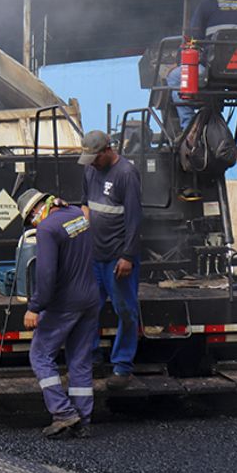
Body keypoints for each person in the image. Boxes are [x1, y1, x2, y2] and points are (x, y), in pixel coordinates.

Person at [17, 188, 99, 439]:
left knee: (40, 355)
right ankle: (83, 420)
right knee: (80, 359)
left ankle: (63, 413)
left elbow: (46, 274)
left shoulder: (47, 229)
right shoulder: (76, 214)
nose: (32, 223)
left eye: (30, 218)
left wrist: (34, 307)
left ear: (37, 209)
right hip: (90, 298)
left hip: (65, 303)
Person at [79, 131, 143, 390]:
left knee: (125, 311)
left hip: (118, 259)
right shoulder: (90, 170)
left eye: (95, 158)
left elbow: (135, 219)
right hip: (94, 256)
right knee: (87, 308)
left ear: (108, 150)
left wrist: (127, 256)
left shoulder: (126, 174)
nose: (92, 163)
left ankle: (122, 366)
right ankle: (92, 359)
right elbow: (85, 205)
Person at [167, 0, 237, 130]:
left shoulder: (206, 6)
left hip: (211, 72)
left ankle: (188, 128)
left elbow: (193, 41)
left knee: (175, 78)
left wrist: (180, 60)